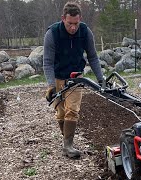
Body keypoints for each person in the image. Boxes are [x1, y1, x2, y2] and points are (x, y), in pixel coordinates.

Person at [43, 1, 104, 159]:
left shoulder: (85, 32)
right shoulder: (52, 33)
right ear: (63, 18)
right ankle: (67, 141)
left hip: (76, 77)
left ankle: (68, 146)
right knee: (61, 112)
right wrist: (51, 86)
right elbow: (47, 63)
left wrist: (101, 78)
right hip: (57, 76)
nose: (73, 27)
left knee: (72, 110)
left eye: (76, 23)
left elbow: (93, 57)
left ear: (80, 19)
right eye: (70, 23)